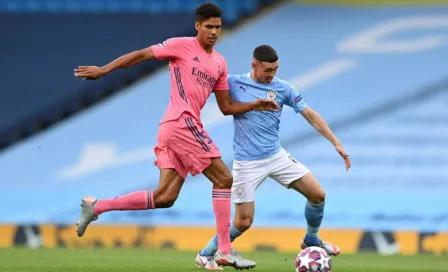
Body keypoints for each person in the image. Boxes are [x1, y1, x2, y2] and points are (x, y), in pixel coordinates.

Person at [73, 3, 278, 269]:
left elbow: (226, 107)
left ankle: (97, 206)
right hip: (181, 122)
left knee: (165, 197)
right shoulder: (181, 45)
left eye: (217, 27)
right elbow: (141, 55)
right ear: (198, 26)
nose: (214, 32)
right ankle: (224, 250)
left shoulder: (219, 63)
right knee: (224, 178)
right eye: (209, 27)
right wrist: (105, 70)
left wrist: (255, 104)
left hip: (176, 128)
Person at [195, 45, 351, 270]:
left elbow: (309, 114)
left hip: (276, 156)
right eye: (267, 70)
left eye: (275, 69)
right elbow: (202, 88)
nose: (271, 75)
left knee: (317, 195)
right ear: (254, 65)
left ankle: (311, 239)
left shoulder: (282, 88)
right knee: (243, 222)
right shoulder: (234, 83)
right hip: (247, 163)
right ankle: (205, 254)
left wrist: (336, 143)